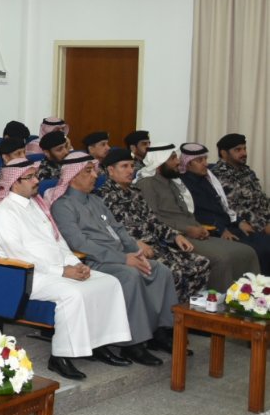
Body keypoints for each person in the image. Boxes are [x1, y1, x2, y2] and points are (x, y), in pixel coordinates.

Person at [0, 159, 132, 381]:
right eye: (30, 177)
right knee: (73, 293)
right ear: (14, 182)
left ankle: (99, 344)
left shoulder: (36, 205)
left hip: (58, 268)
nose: (37, 181)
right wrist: (62, 271)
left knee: (109, 282)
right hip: (28, 275)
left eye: (36, 175)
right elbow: (19, 256)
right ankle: (60, 356)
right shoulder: (3, 213)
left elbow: (59, 242)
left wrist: (75, 264)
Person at [47, 152, 174, 365]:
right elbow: (80, 244)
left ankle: (159, 331)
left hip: (119, 256)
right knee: (130, 275)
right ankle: (133, 344)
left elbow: (119, 230)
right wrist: (124, 259)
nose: (95, 175)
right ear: (73, 176)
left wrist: (136, 252)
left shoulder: (96, 200)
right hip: (93, 261)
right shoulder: (63, 206)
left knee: (160, 270)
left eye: (94, 170)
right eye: (88, 171)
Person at [135, 144, 260, 289]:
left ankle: (251, 295)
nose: (178, 162)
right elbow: (153, 218)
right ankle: (219, 300)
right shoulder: (147, 184)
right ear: (160, 162)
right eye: (173, 158)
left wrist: (199, 227)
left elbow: (186, 212)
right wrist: (187, 230)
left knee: (247, 252)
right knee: (222, 258)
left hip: (193, 231)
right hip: (175, 237)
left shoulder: (172, 181)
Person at [99, 147, 211, 302]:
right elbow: (108, 231)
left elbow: (153, 221)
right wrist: (134, 243)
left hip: (157, 246)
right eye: (124, 166)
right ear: (111, 170)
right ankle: (170, 314)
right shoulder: (102, 197)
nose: (130, 170)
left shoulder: (135, 192)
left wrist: (175, 236)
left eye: (132, 166)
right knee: (175, 272)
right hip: (134, 252)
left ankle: (187, 310)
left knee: (201, 263)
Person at [179, 142, 270, 272]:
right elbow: (193, 215)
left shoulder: (207, 178)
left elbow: (224, 206)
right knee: (258, 251)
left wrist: (239, 221)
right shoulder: (181, 184)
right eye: (200, 160)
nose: (205, 164)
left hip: (230, 225)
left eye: (205, 159)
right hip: (212, 230)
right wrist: (220, 230)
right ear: (187, 163)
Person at [212, 133, 270, 234]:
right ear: (224, 153)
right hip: (249, 227)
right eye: (238, 150)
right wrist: (265, 226)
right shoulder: (219, 175)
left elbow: (260, 200)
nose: (244, 153)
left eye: (244, 149)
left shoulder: (247, 171)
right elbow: (233, 210)